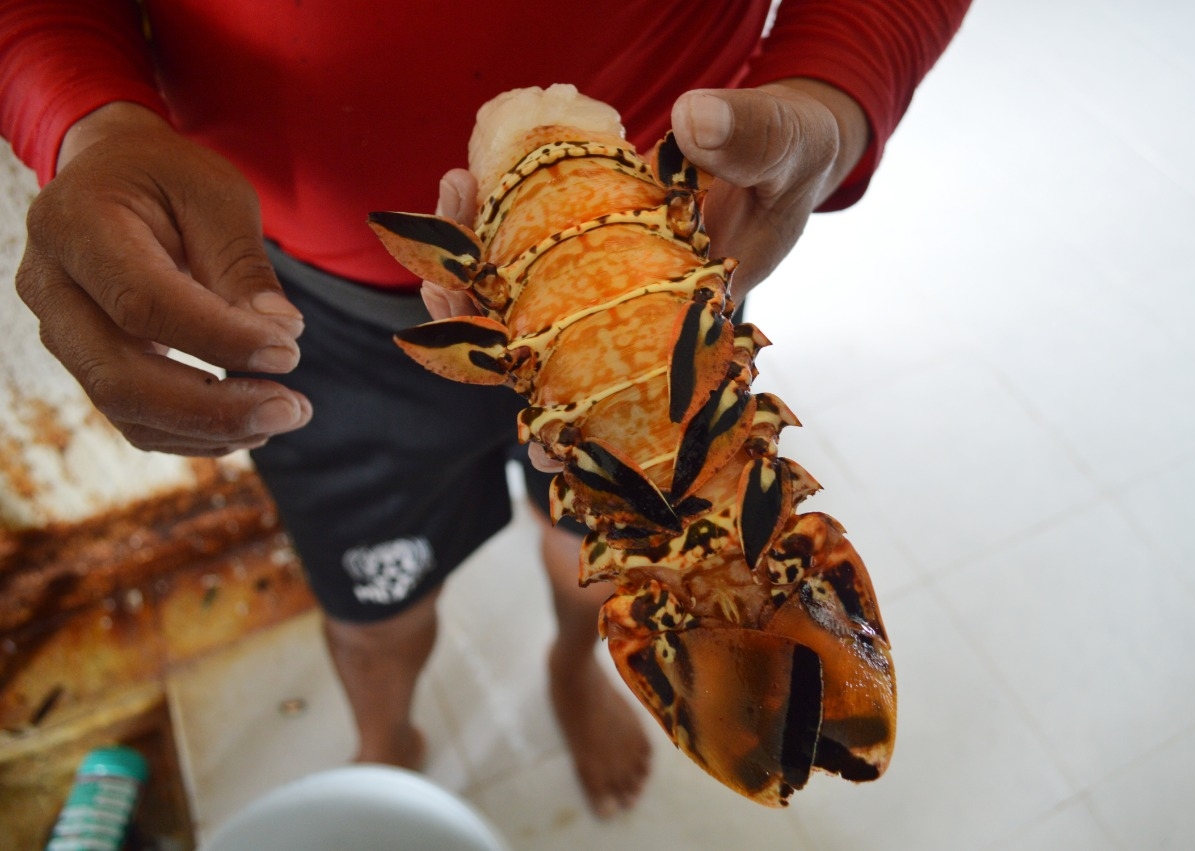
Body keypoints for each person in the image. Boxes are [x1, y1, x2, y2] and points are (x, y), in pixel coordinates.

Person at [1, 0, 970, 817]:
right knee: (371, 600)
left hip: (673, 259)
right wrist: (89, 119)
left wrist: (832, 87)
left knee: (603, 538)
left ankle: (569, 665)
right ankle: (385, 735)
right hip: (310, 291)